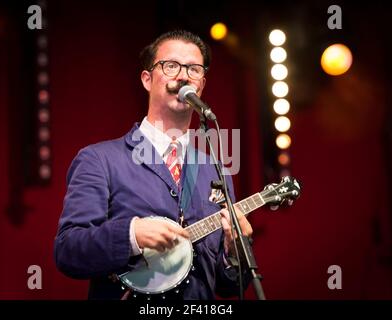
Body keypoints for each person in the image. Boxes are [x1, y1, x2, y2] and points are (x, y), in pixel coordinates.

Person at [54, 29, 253, 300]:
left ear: (201, 85)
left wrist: (234, 251)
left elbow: (228, 286)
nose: (183, 76)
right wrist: (131, 235)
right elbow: (68, 251)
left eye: (193, 69)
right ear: (147, 80)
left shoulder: (216, 170)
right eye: (171, 66)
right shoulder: (99, 160)